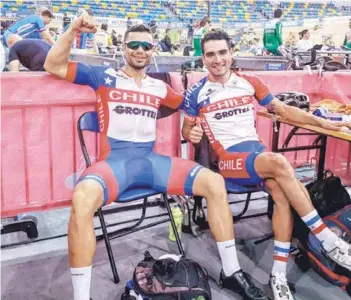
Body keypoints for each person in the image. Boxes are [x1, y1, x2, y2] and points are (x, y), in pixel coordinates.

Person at [44, 17, 269, 300]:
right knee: (81, 198)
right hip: (114, 163)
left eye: (146, 46)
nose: (140, 50)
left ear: (153, 50)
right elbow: (52, 64)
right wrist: (73, 30)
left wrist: (206, 118)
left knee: (213, 182)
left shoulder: (160, 88)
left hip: (151, 162)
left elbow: (194, 104)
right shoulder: (103, 76)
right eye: (133, 45)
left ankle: (232, 272)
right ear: (123, 48)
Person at [181, 29, 351, 300]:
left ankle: (278, 275)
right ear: (203, 58)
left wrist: (328, 123)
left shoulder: (249, 81)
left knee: (282, 192)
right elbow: (186, 131)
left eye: (222, 52)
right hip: (229, 162)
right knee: (279, 162)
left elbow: (284, 110)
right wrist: (191, 133)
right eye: (210, 54)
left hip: (258, 158)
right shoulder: (196, 93)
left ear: (231, 53)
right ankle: (327, 239)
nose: (217, 59)